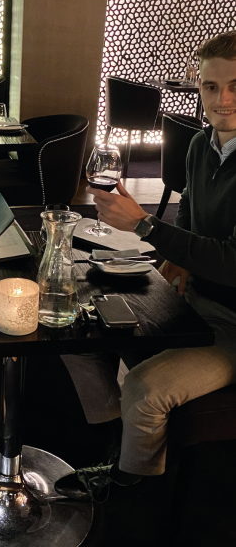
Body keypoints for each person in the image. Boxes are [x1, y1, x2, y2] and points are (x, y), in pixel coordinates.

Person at [56, 31, 236, 501]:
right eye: (211, 86)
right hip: (194, 300)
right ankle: (117, 435)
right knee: (75, 328)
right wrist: (176, 257)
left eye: (235, 86)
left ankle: (131, 487)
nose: (222, 99)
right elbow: (190, 213)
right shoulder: (200, 146)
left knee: (144, 387)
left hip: (233, 323)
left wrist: (145, 227)